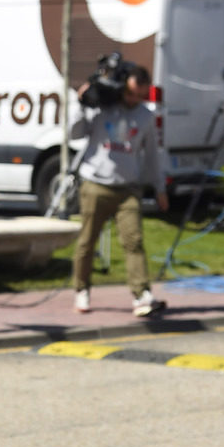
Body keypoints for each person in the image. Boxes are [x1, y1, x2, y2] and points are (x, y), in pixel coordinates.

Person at [70, 65, 169, 316]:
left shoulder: (146, 117)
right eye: (130, 94)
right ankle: (81, 289)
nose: (134, 100)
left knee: (134, 241)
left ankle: (141, 294)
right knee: (87, 242)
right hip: (95, 183)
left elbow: (152, 156)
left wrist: (159, 187)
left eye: (140, 95)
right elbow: (75, 132)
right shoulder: (103, 107)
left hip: (127, 188)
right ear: (122, 87)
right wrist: (81, 103)